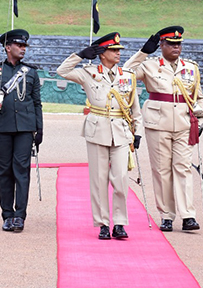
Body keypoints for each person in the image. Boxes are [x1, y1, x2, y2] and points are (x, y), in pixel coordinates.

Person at [57, 32, 144, 240]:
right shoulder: (88, 73)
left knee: (121, 178)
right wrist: (80, 55)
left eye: (119, 50)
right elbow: (62, 71)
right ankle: (103, 223)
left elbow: (135, 108)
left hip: (122, 132)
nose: (118, 53)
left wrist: (137, 132)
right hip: (97, 130)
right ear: (102, 53)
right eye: (113, 50)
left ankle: (120, 223)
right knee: (98, 180)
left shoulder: (127, 75)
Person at [124, 26, 203, 233]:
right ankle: (166, 215)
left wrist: (201, 120)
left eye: (179, 44)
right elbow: (125, 72)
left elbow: (199, 97)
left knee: (183, 168)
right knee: (161, 171)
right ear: (161, 45)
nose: (176, 47)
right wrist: (143, 52)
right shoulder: (150, 66)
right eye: (171, 44)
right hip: (158, 123)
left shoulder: (191, 67)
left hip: (184, 124)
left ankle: (188, 215)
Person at [0, 29, 43, 233]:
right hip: (2, 127)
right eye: (20, 45)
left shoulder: (31, 72)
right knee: (4, 172)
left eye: (25, 46)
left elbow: (37, 103)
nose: (23, 49)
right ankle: (7, 214)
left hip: (25, 128)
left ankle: (20, 216)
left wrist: (39, 129)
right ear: (8, 47)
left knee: (21, 171)